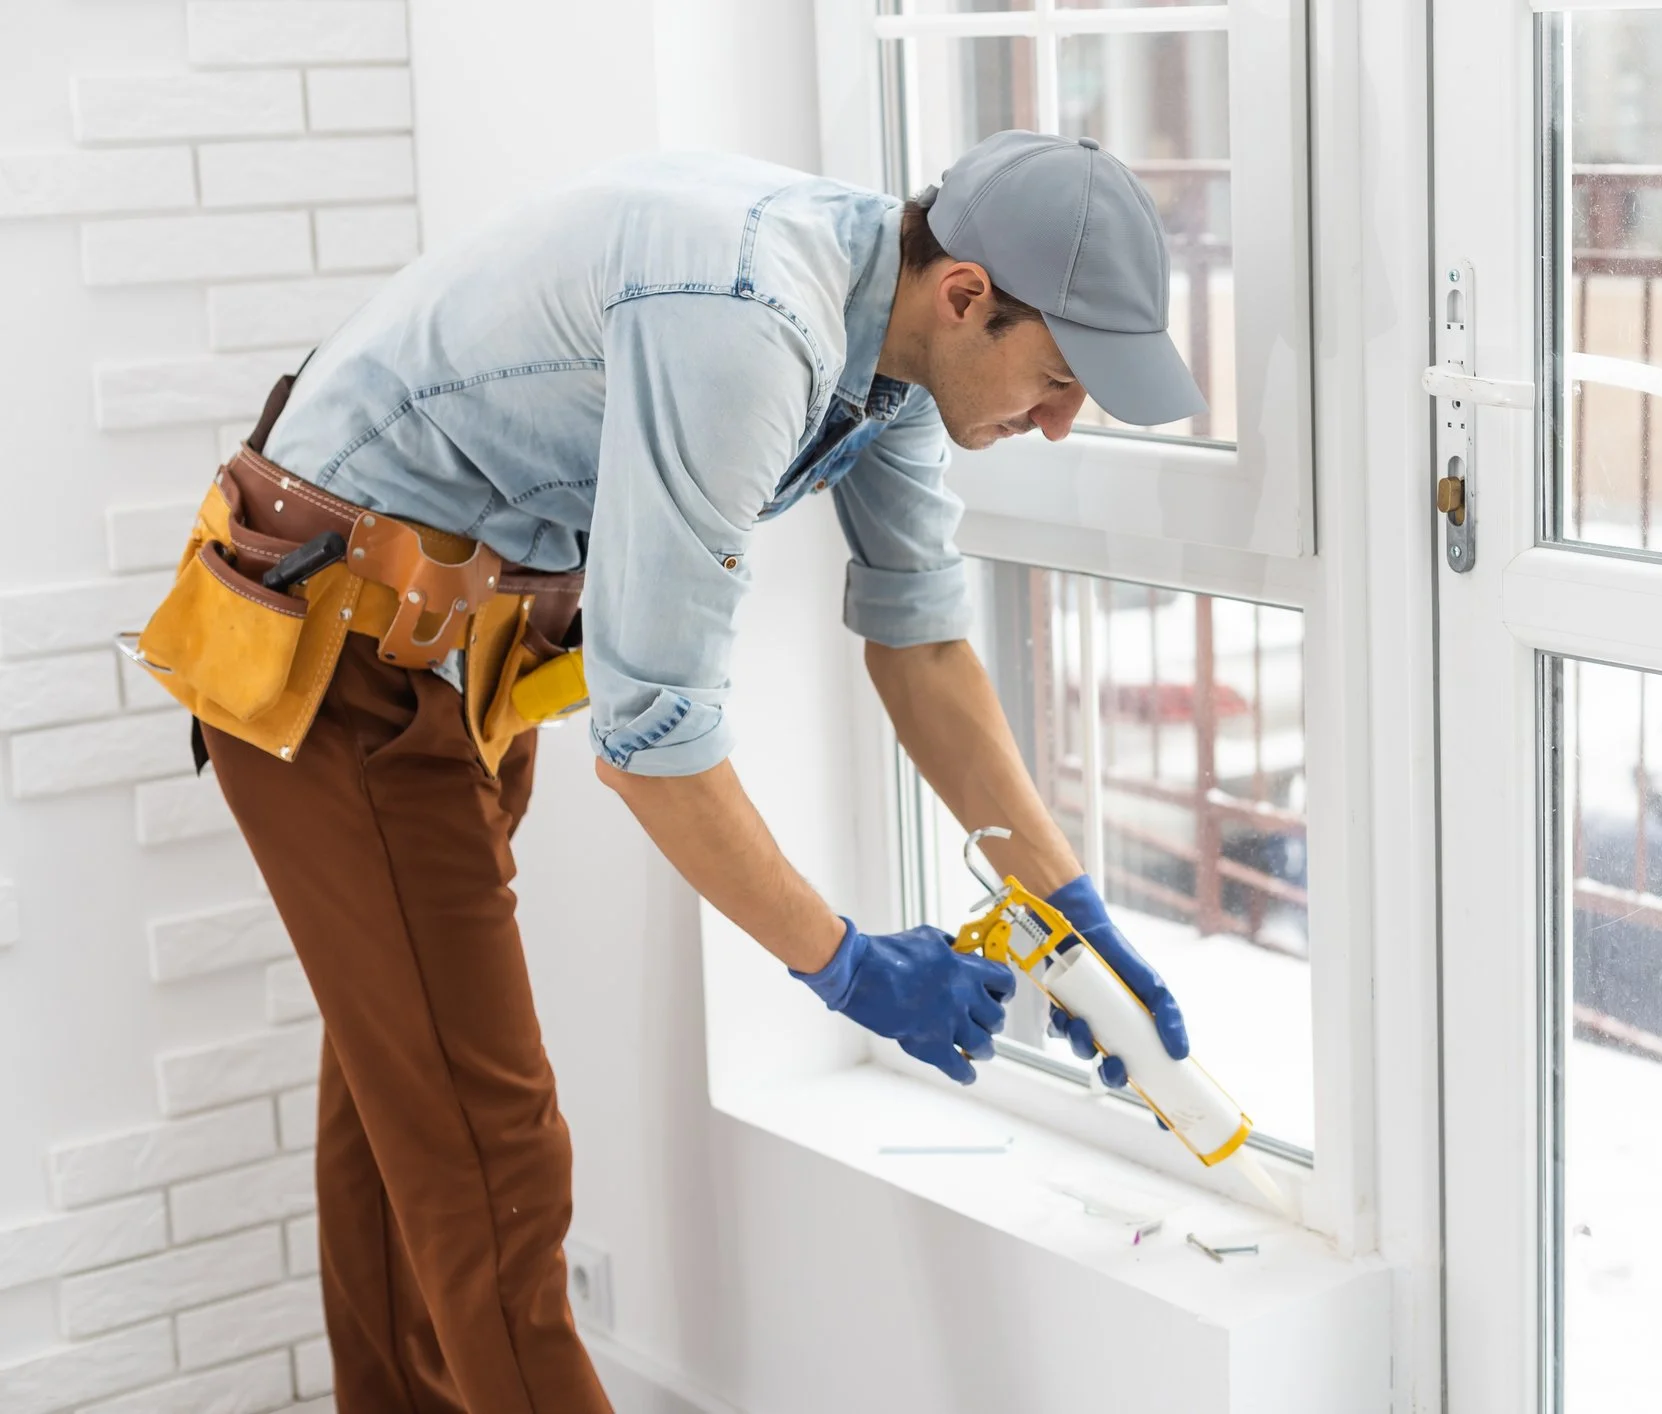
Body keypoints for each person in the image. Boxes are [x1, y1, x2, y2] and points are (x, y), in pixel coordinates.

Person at [137, 129, 1204, 1411]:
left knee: (404, 1115)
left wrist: (1069, 909)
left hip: (464, 651)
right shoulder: (751, 325)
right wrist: (853, 968)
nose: (1058, 420)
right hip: (343, 660)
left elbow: (920, 645)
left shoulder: (900, 352)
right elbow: (652, 745)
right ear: (966, 293)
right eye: (1060, 377)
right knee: (495, 1167)